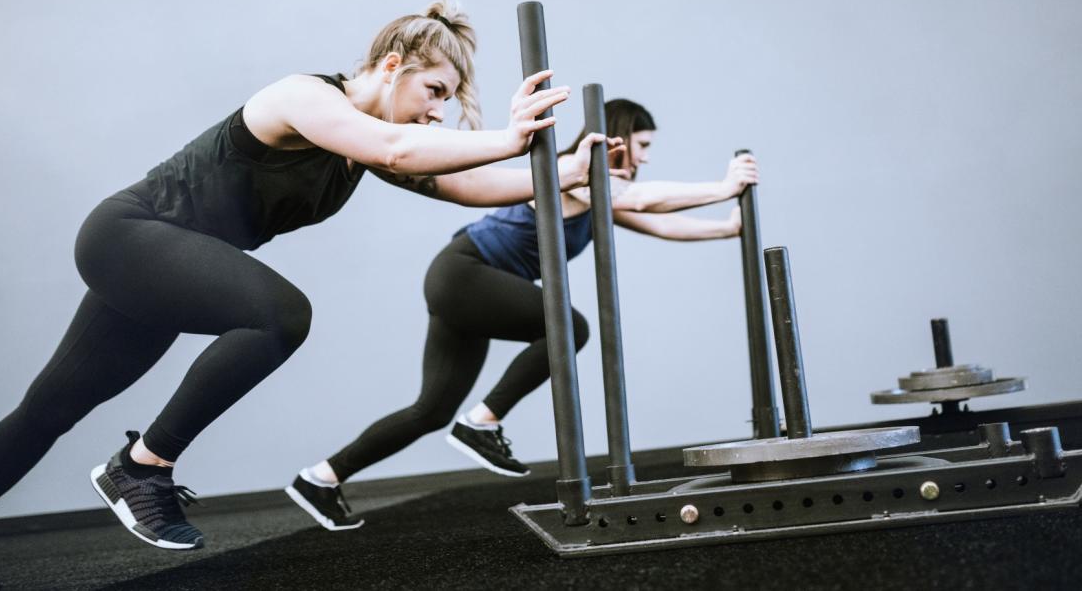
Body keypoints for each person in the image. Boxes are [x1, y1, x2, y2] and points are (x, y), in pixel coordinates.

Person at [0, 0, 619, 550]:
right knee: (281, 315)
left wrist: (562, 171)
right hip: (130, 237)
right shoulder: (304, 99)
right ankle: (142, 467)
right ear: (392, 66)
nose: (437, 115)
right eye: (434, 94)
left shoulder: (361, 151)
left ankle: (130, 470)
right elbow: (398, 147)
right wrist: (511, 137)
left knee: (46, 411)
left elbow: (468, 184)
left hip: (160, 266)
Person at [287, 98, 759, 531]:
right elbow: (639, 200)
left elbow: (655, 221)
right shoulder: (568, 173)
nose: (648, 157)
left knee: (430, 410)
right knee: (567, 327)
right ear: (621, 136)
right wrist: (723, 187)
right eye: (644, 145)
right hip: (464, 273)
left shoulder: (597, 190)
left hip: (465, 283)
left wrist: (725, 230)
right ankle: (482, 423)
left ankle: (320, 479)